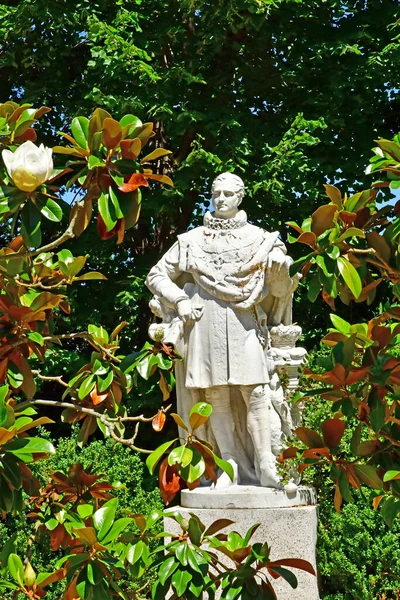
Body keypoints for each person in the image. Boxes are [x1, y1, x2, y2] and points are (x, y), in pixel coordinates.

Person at [146, 173, 299, 488]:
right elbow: (156, 275)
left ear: (240, 197)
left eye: (228, 193)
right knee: (215, 396)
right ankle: (228, 463)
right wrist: (180, 300)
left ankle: (266, 463)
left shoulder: (262, 239)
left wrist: (278, 268)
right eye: (216, 193)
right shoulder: (191, 241)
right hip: (205, 322)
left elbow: (281, 288)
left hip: (244, 324)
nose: (221, 199)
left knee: (255, 392)